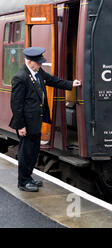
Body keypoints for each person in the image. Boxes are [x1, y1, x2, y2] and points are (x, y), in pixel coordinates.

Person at [9, 47, 81, 192]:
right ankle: (23, 182)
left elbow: (52, 80)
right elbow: (16, 105)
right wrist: (21, 126)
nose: (41, 65)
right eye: (38, 62)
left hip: (36, 122)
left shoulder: (37, 72)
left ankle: (28, 178)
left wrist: (70, 84)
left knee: (34, 151)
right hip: (26, 124)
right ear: (30, 62)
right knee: (26, 153)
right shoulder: (20, 77)